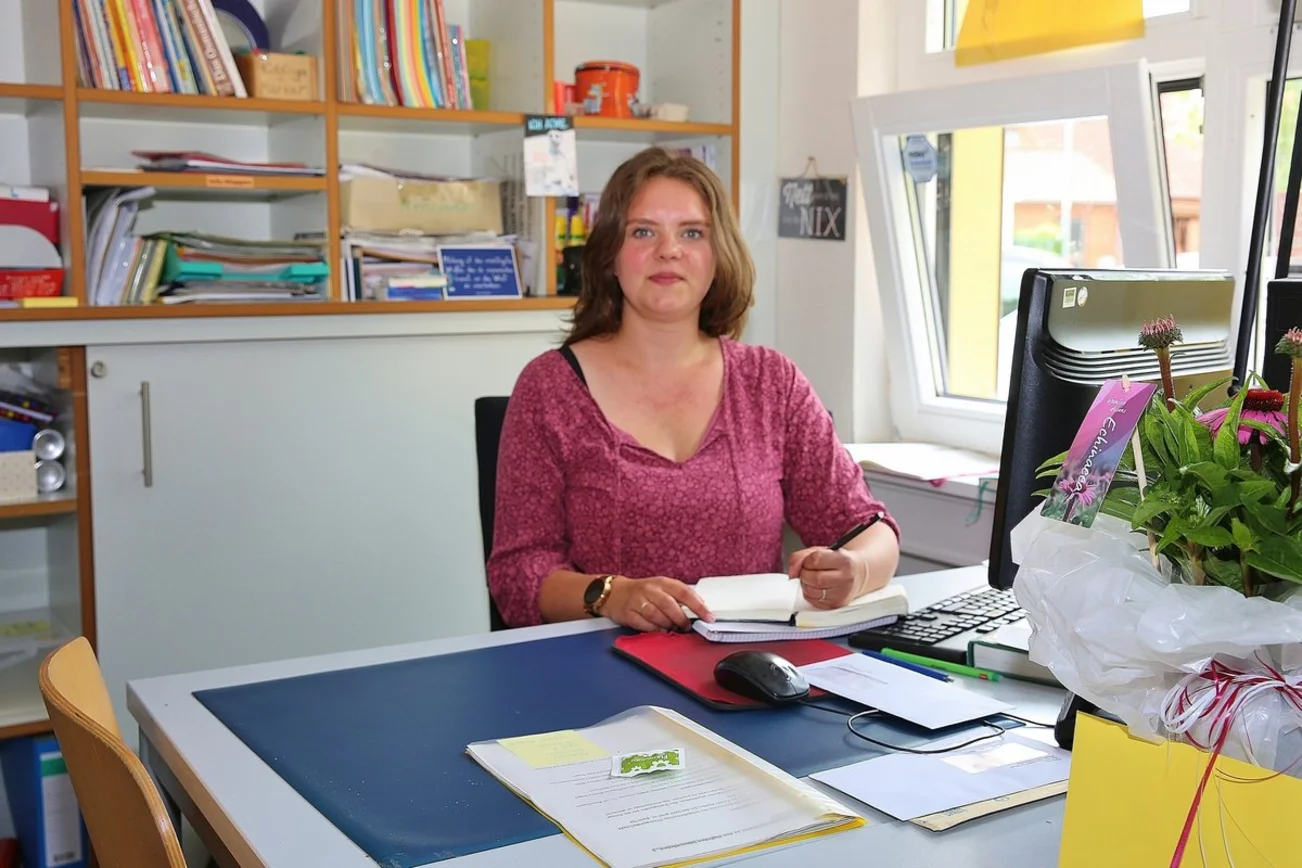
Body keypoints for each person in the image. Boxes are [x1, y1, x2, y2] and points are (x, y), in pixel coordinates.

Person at [487, 146, 900, 631]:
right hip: (600, 661)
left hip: (746, 665)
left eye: (692, 233)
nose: (669, 250)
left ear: (717, 254)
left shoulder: (771, 383)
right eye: (643, 231)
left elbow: (869, 529)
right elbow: (517, 575)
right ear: (610, 257)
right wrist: (612, 595)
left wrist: (857, 570)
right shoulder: (549, 388)